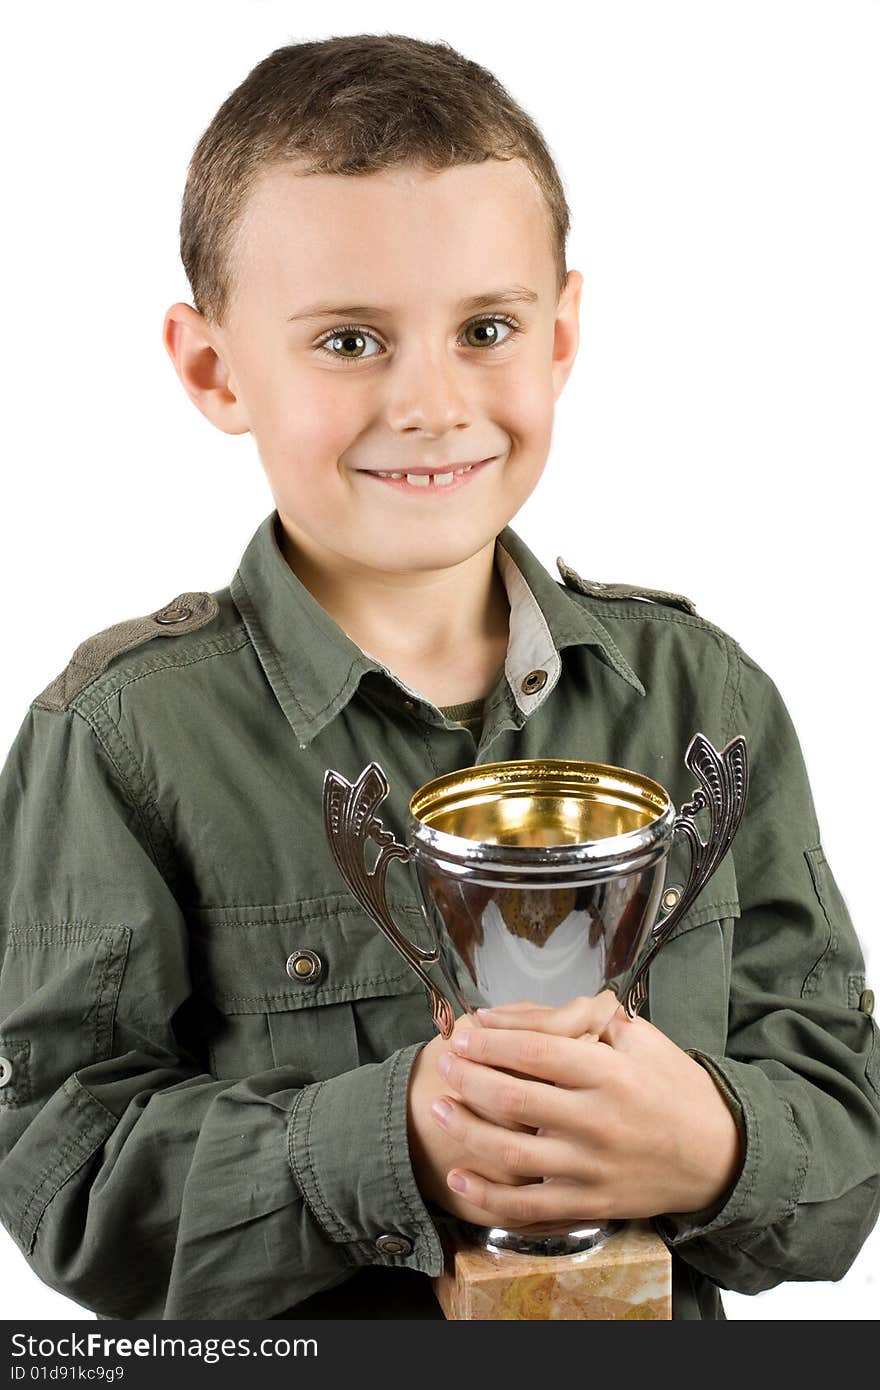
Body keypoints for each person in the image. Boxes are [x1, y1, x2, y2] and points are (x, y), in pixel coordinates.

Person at [0, 33, 877, 1323]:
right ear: (212, 366)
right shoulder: (122, 739)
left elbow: (843, 1122)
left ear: (563, 331)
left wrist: (717, 1146)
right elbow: (62, 1178)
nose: (430, 402)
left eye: (485, 328)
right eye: (349, 340)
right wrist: (390, 1141)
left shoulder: (709, 703)